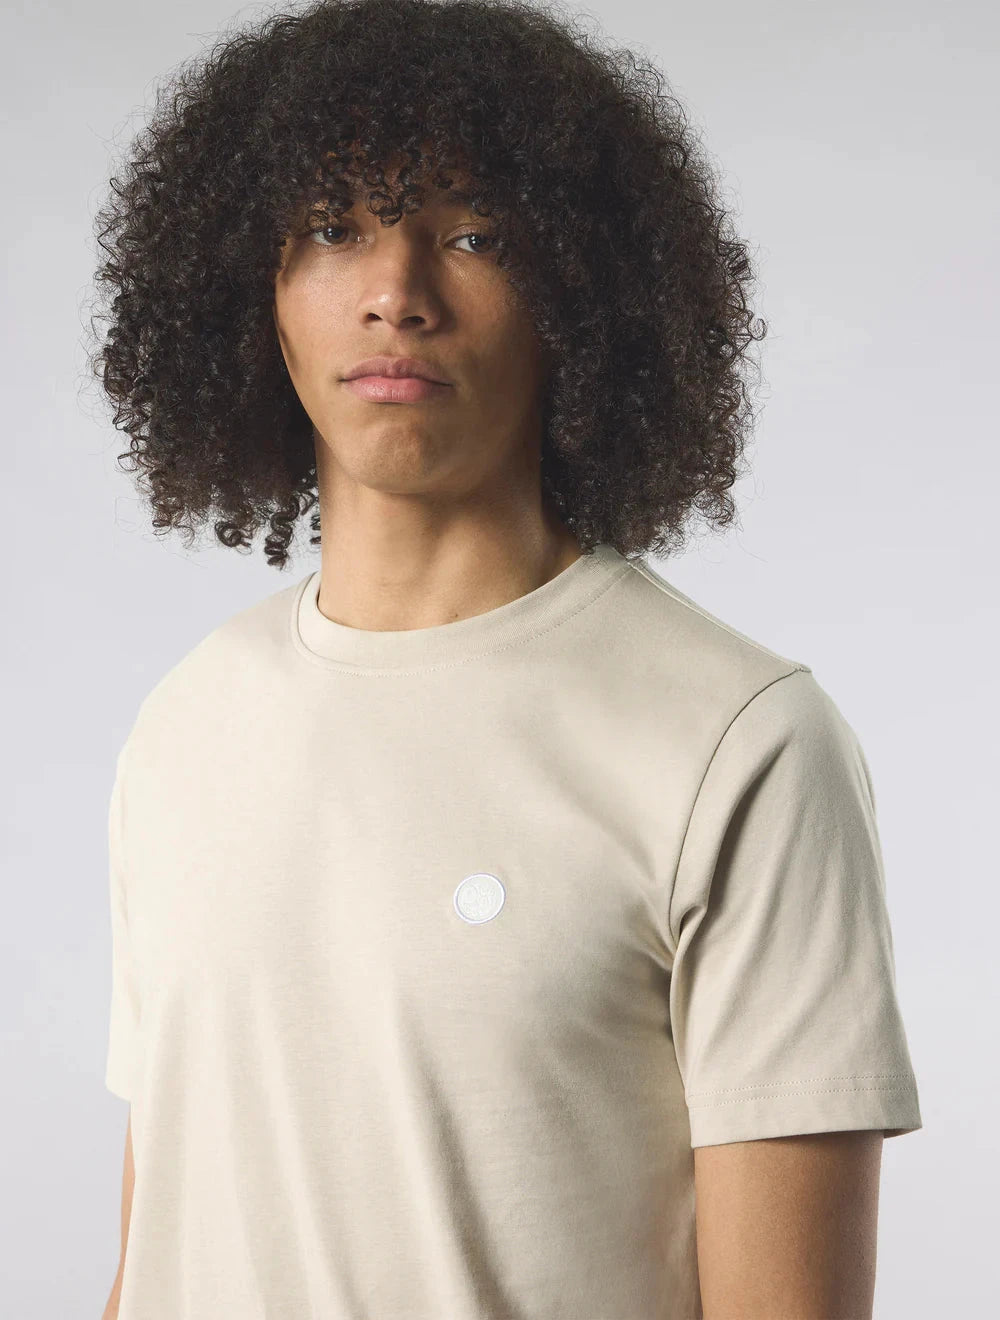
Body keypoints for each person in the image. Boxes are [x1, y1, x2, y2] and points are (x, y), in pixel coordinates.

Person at [89, 1, 922, 1317]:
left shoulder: (737, 742)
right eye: (334, 228)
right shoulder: (187, 724)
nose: (397, 294)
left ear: (580, 295)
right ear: (256, 290)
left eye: (476, 235)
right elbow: (163, 1249)